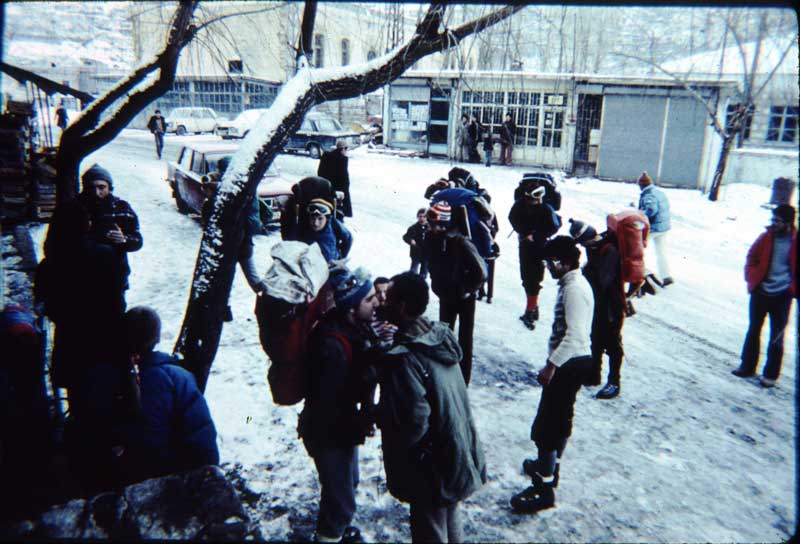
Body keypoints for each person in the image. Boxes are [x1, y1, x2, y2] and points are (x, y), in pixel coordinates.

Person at [376, 272, 487, 543]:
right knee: (448, 516)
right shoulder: (438, 338)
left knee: (429, 529)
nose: (381, 303)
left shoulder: (407, 359)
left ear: (401, 307)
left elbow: (413, 420)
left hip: (430, 464)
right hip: (454, 451)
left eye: (387, 299)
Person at [76, 306, 219, 491]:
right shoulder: (177, 377)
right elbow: (200, 434)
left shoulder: (98, 376)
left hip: (113, 478)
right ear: (157, 338)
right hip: (165, 479)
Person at [43, 164, 142, 402]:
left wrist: (125, 240)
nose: (97, 192)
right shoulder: (72, 210)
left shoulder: (121, 208)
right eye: (92, 187)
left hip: (112, 286)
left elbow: (137, 239)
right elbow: (51, 248)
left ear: (110, 187)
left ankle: (107, 390)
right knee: (80, 345)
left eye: (102, 187)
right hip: (78, 289)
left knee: (109, 337)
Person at [298, 267, 381, 543]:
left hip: (339, 429)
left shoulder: (351, 328)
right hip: (328, 433)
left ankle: (335, 530)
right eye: (369, 299)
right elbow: (331, 400)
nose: (377, 302)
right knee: (341, 500)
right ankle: (328, 535)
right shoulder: (332, 345)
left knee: (347, 484)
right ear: (351, 308)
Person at [511, 236, 594, 514]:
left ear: (565, 262)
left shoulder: (574, 290)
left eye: (550, 262)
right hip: (573, 361)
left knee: (546, 427)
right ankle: (550, 466)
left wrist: (551, 365)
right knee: (559, 419)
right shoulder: (571, 284)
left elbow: (575, 335)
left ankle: (543, 487)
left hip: (569, 363)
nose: (547, 267)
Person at [732, 204, 797, 388]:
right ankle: (747, 367)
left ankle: (770, 375)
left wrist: (792, 289)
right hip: (761, 292)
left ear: (788, 222)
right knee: (753, 330)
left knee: (777, 336)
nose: (774, 224)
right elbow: (751, 257)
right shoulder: (766, 238)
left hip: (783, 296)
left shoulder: (796, 242)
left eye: (778, 221)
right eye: (773, 220)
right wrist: (752, 278)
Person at [423, 201, 486, 386]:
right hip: (445, 295)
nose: (431, 227)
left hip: (464, 298)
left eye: (434, 223)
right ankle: (445, 372)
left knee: (465, 338)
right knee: (444, 333)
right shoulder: (430, 239)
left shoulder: (460, 242)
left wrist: (467, 290)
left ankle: (463, 379)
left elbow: (481, 272)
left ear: (443, 223)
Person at [569, 219, 626, 399]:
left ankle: (614, 382)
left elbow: (603, 281)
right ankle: (594, 375)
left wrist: (584, 277)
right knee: (595, 338)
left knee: (612, 343)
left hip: (611, 306)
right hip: (598, 304)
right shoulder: (594, 247)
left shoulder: (609, 250)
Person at [508, 184, 561, 330]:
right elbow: (512, 218)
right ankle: (532, 306)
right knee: (526, 277)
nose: (532, 202)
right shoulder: (520, 205)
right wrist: (525, 233)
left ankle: (530, 309)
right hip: (525, 244)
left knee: (535, 278)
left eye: (534, 199)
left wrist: (537, 235)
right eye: (530, 199)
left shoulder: (546, 209)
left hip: (539, 246)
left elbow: (554, 226)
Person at [637, 171, 673, 286]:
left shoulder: (649, 194)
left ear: (642, 185)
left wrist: (641, 215)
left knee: (638, 249)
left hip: (654, 228)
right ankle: (666, 276)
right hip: (663, 227)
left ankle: (640, 273)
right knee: (661, 251)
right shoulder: (658, 192)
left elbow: (651, 209)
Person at [292, 198, 353, 263]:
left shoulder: (333, 224)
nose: (316, 223)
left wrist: (341, 257)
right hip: (309, 266)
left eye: (320, 218)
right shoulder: (302, 227)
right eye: (313, 218)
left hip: (331, 267)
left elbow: (348, 238)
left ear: (327, 218)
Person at [318, 139, 353, 219]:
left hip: (325, 190)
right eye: (346, 148)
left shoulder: (326, 156)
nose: (346, 151)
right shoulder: (342, 160)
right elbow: (344, 181)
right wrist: (347, 208)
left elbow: (320, 172)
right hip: (337, 194)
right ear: (343, 149)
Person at [403, 208, 428, 279]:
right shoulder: (413, 228)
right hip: (416, 253)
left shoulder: (430, 227)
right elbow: (405, 236)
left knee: (424, 273)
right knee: (413, 270)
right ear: (417, 217)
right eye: (420, 216)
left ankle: (420, 285)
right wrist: (411, 240)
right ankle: (411, 283)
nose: (422, 218)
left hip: (426, 254)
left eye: (424, 216)